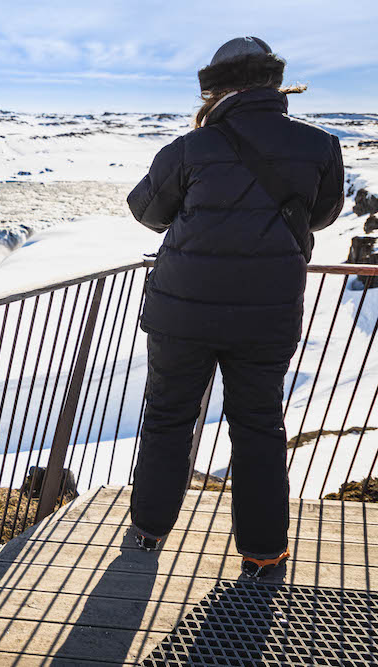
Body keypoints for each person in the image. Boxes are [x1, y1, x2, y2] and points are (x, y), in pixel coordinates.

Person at [126, 37, 345, 578]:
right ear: (274, 84)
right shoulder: (320, 146)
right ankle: (263, 550)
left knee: (168, 420)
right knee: (259, 427)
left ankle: (149, 530)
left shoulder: (189, 149)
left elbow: (147, 213)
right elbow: (320, 218)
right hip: (267, 314)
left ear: (216, 88)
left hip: (182, 313)